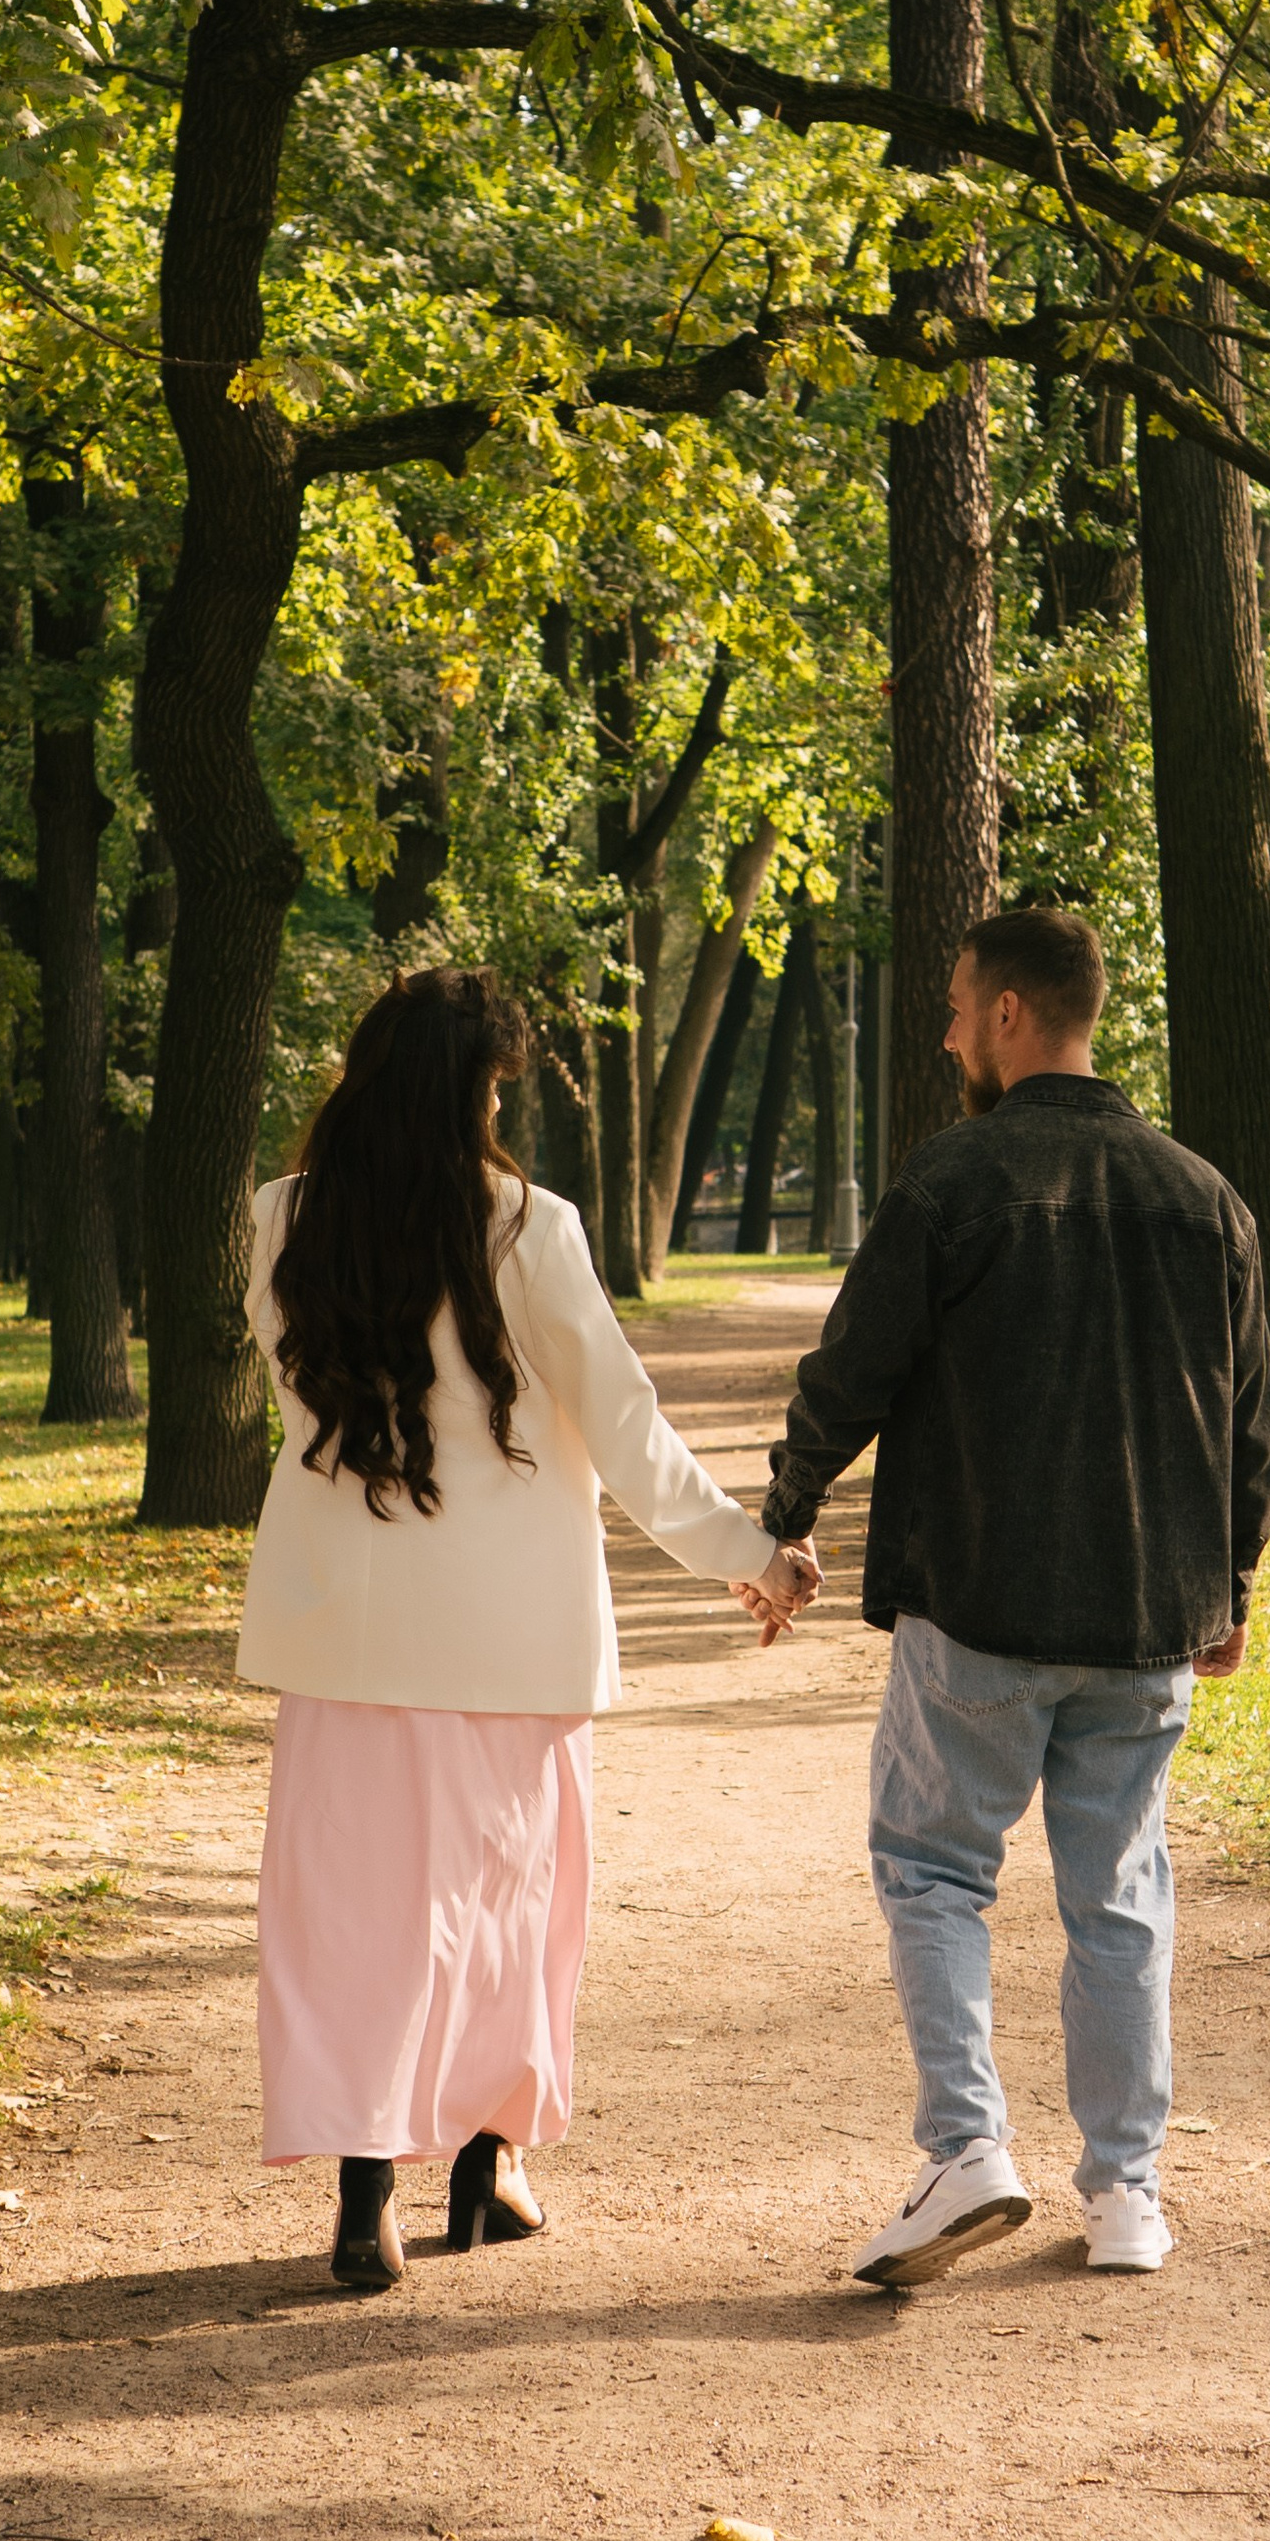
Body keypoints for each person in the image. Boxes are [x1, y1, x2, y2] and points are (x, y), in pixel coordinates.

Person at [238, 963, 813, 2292]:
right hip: (504, 1641)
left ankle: (363, 2194)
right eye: (500, 1083)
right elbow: (628, 1433)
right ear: (477, 1087)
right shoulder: (526, 1227)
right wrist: (752, 1556)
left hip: (344, 1637)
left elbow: (300, 1406)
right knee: (504, 1911)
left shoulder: (284, 1220)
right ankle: (483, 2173)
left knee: (351, 1923)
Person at [760, 907, 1270, 2288]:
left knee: (932, 1871)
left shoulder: (954, 1183)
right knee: (1118, 1899)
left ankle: (966, 2151)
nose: (941, 1031)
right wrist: (1227, 1583)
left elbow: (851, 1371)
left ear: (1008, 1014)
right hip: (1143, 1618)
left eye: (951, 1005)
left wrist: (786, 1510)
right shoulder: (1204, 1198)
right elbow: (1255, 1423)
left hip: (980, 1604)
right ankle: (1127, 2198)